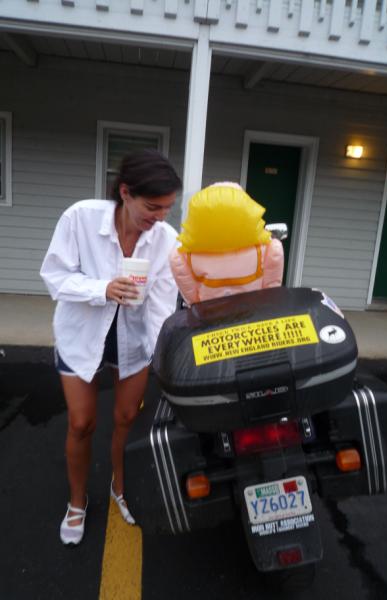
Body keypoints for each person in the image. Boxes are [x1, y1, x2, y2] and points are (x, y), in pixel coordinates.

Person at [40, 150, 182, 545]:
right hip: (81, 333)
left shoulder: (166, 241)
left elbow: (161, 307)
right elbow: (55, 277)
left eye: (167, 208)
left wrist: (163, 358)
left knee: (126, 419)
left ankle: (121, 488)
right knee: (81, 423)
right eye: (152, 207)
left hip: (133, 339)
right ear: (125, 193)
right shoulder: (80, 218)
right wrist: (102, 289)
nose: (160, 217)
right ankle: (77, 502)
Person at [169, 182, 284, 305]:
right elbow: (271, 287)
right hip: (253, 311)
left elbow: (190, 293)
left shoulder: (187, 254)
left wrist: (196, 305)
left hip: (209, 313)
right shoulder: (265, 247)